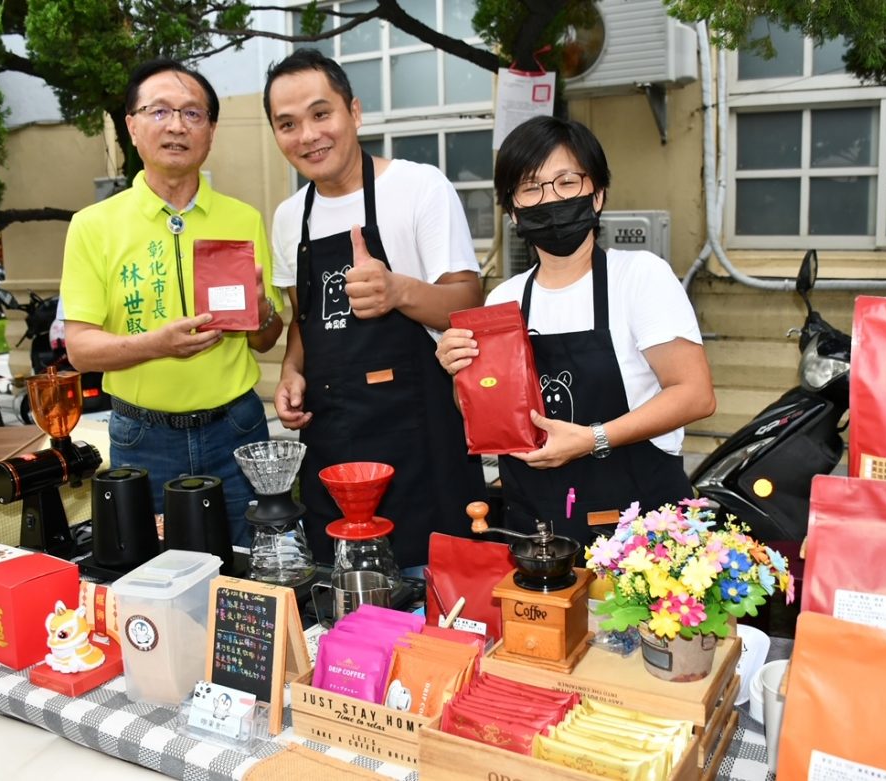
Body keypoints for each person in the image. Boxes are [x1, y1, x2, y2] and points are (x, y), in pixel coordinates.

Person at [436, 116, 716, 544]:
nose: (550, 199)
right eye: (531, 188)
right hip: (535, 533)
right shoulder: (503, 300)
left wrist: (592, 439)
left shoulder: (640, 276)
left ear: (597, 195)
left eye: (566, 182)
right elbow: (484, 415)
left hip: (634, 534)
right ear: (513, 211)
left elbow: (695, 393)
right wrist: (461, 374)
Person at [263, 49, 486, 570]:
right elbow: (306, 321)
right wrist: (292, 371)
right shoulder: (289, 217)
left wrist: (398, 291)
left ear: (354, 113)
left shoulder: (418, 187)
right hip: (333, 442)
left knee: (428, 599)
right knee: (342, 600)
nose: (308, 135)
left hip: (418, 438)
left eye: (322, 114)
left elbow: (468, 304)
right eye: (288, 124)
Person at [61, 58, 284, 546]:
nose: (177, 126)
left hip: (237, 428)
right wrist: (157, 344)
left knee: (253, 564)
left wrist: (264, 311)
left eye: (193, 114)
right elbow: (79, 350)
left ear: (211, 131)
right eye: (159, 111)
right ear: (132, 127)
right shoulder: (93, 225)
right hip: (144, 437)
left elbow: (266, 338)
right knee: (156, 580)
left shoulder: (242, 217)